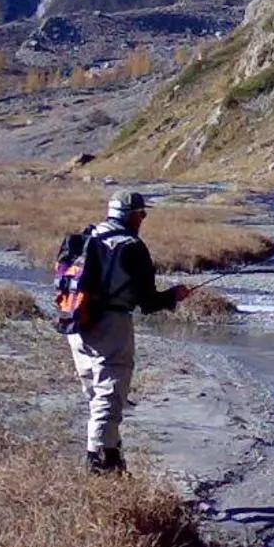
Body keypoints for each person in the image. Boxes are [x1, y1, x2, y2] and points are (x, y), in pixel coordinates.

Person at [69, 190, 189, 474]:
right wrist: (174, 295)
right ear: (132, 215)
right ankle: (99, 463)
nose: (143, 218)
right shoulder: (131, 246)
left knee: (95, 392)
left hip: (76, 323)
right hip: (111, 325)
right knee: (109, 392)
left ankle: (112, 457)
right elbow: (147, 302)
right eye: (142, 213)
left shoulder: (89, 236)